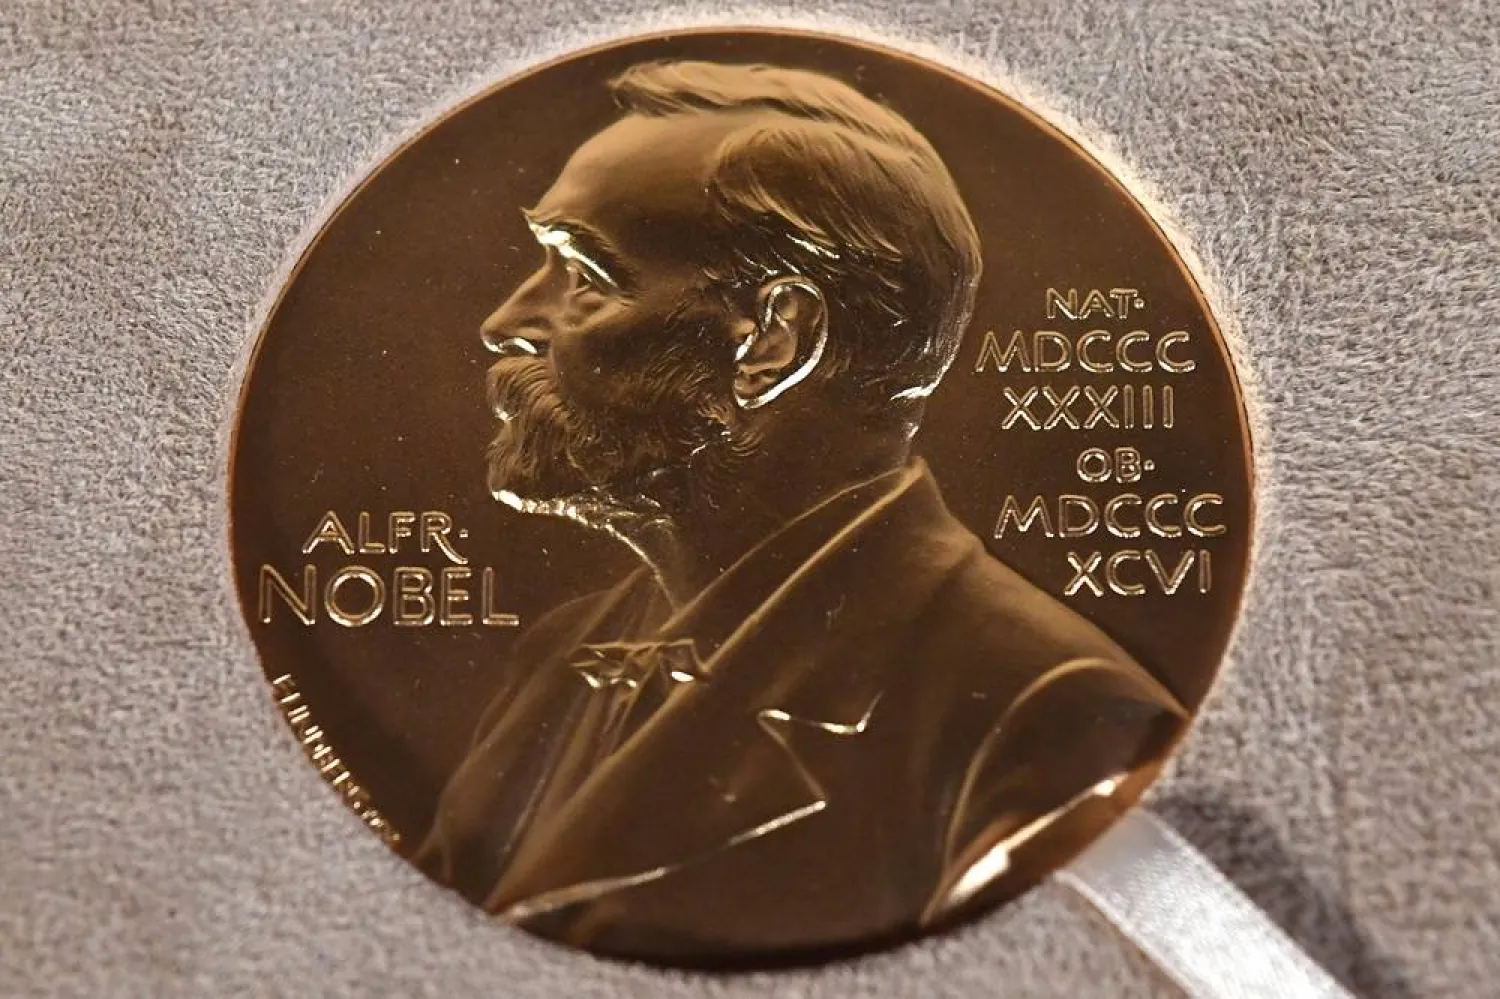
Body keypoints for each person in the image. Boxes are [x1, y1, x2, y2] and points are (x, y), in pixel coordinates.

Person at [416, 59, 1185, 961]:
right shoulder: (558, 661)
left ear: (774, 338)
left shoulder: (1053, 721)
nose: (505, 320)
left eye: (584, 275)